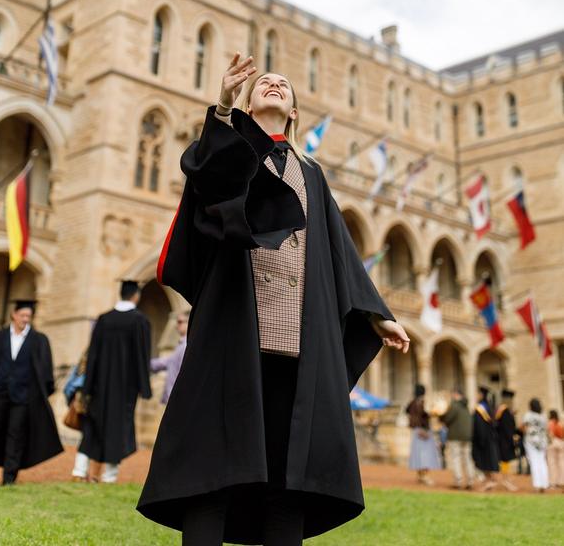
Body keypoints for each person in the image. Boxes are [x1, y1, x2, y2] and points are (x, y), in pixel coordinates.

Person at [138, 55, 410, 546]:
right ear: (248, 100)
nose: (275, 84)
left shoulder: (313, 175)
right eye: (264, 82)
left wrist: (375, 316)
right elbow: (206, 177)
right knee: (212, 470)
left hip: (298, 347)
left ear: (294, 113)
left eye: (283, 84)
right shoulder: (228, 153)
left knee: (289, 479)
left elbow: (340, 254)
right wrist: (223, 109)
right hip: (232, 333)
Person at [0, 298, 63, 485]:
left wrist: (37, 394)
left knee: (16, 436)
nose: (26, 319)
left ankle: (10, 477)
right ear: (14, 314)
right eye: (22, 315)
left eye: (29, 316)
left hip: (23, 397)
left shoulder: (39, 340)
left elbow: (45, 372)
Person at [72, 280, 151, 485]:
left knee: (92, 425)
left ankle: (79, 470)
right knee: (118, 427)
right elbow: (142, 356)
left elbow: (93, 355)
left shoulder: (104, 320)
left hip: (99, 386)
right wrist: (145, 387)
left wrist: (87, 386)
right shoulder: (140, 321)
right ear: (135, 296)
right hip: (126, 388)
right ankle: (109, 476)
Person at [150, 310, 189, 405]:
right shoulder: (181, 346)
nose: (176, 326)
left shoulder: (186, 346)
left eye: (180, 322)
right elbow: (165, 362)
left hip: (179, 400)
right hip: (172, 400)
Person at [406, 384, 441, 485]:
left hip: (415, 430)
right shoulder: (422, 403)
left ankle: (420, 475)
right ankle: (425, 476)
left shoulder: (412, 402)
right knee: (426, 454)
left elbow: (407, 410)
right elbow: (424, 415)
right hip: (423, 430)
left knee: (418, 453)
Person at [440, 389, 475, 490]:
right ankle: (470, 480)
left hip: (456, 436)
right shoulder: (466, 407)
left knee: (456, 457)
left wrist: (441, 417)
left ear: (456, 395)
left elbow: (447, 419)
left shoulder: (454, 406)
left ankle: (458, 481)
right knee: (467, 458)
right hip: (467, 436)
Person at [472, 385, 500, 491]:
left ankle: (490, 481)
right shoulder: (489, 407)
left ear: (481, 395)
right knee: (489, 460)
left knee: (485, 461)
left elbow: (478, 425)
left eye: (477, 393)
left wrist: (480, 439)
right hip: (490, 438)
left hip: (483, 439)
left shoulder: (480, 409)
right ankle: (489, 481)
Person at [522, 398, 549, 492]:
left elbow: (524, 428)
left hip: (531, 441)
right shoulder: (543, 416)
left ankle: (537, 485)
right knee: (542, 462)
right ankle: (544, 484)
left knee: (534, 462)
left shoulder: (528, 415)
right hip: (542, 441)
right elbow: (546, 428)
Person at [495, 388, 519, 491]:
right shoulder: (504, 411)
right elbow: (507, 427)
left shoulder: (504, 410)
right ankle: (505, 480)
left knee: (506, 461)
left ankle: (507, 479)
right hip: (504, 440)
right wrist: (512, 438)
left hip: (503, 439)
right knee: (505, 460)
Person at [546, 409, 564, 489]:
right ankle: (561, 481)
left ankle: (553, 482)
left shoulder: (550, 423)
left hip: (553, 442)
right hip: (561, 442)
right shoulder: (560, 423)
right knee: (561, 463)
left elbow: (551, 433)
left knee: (552, 463)